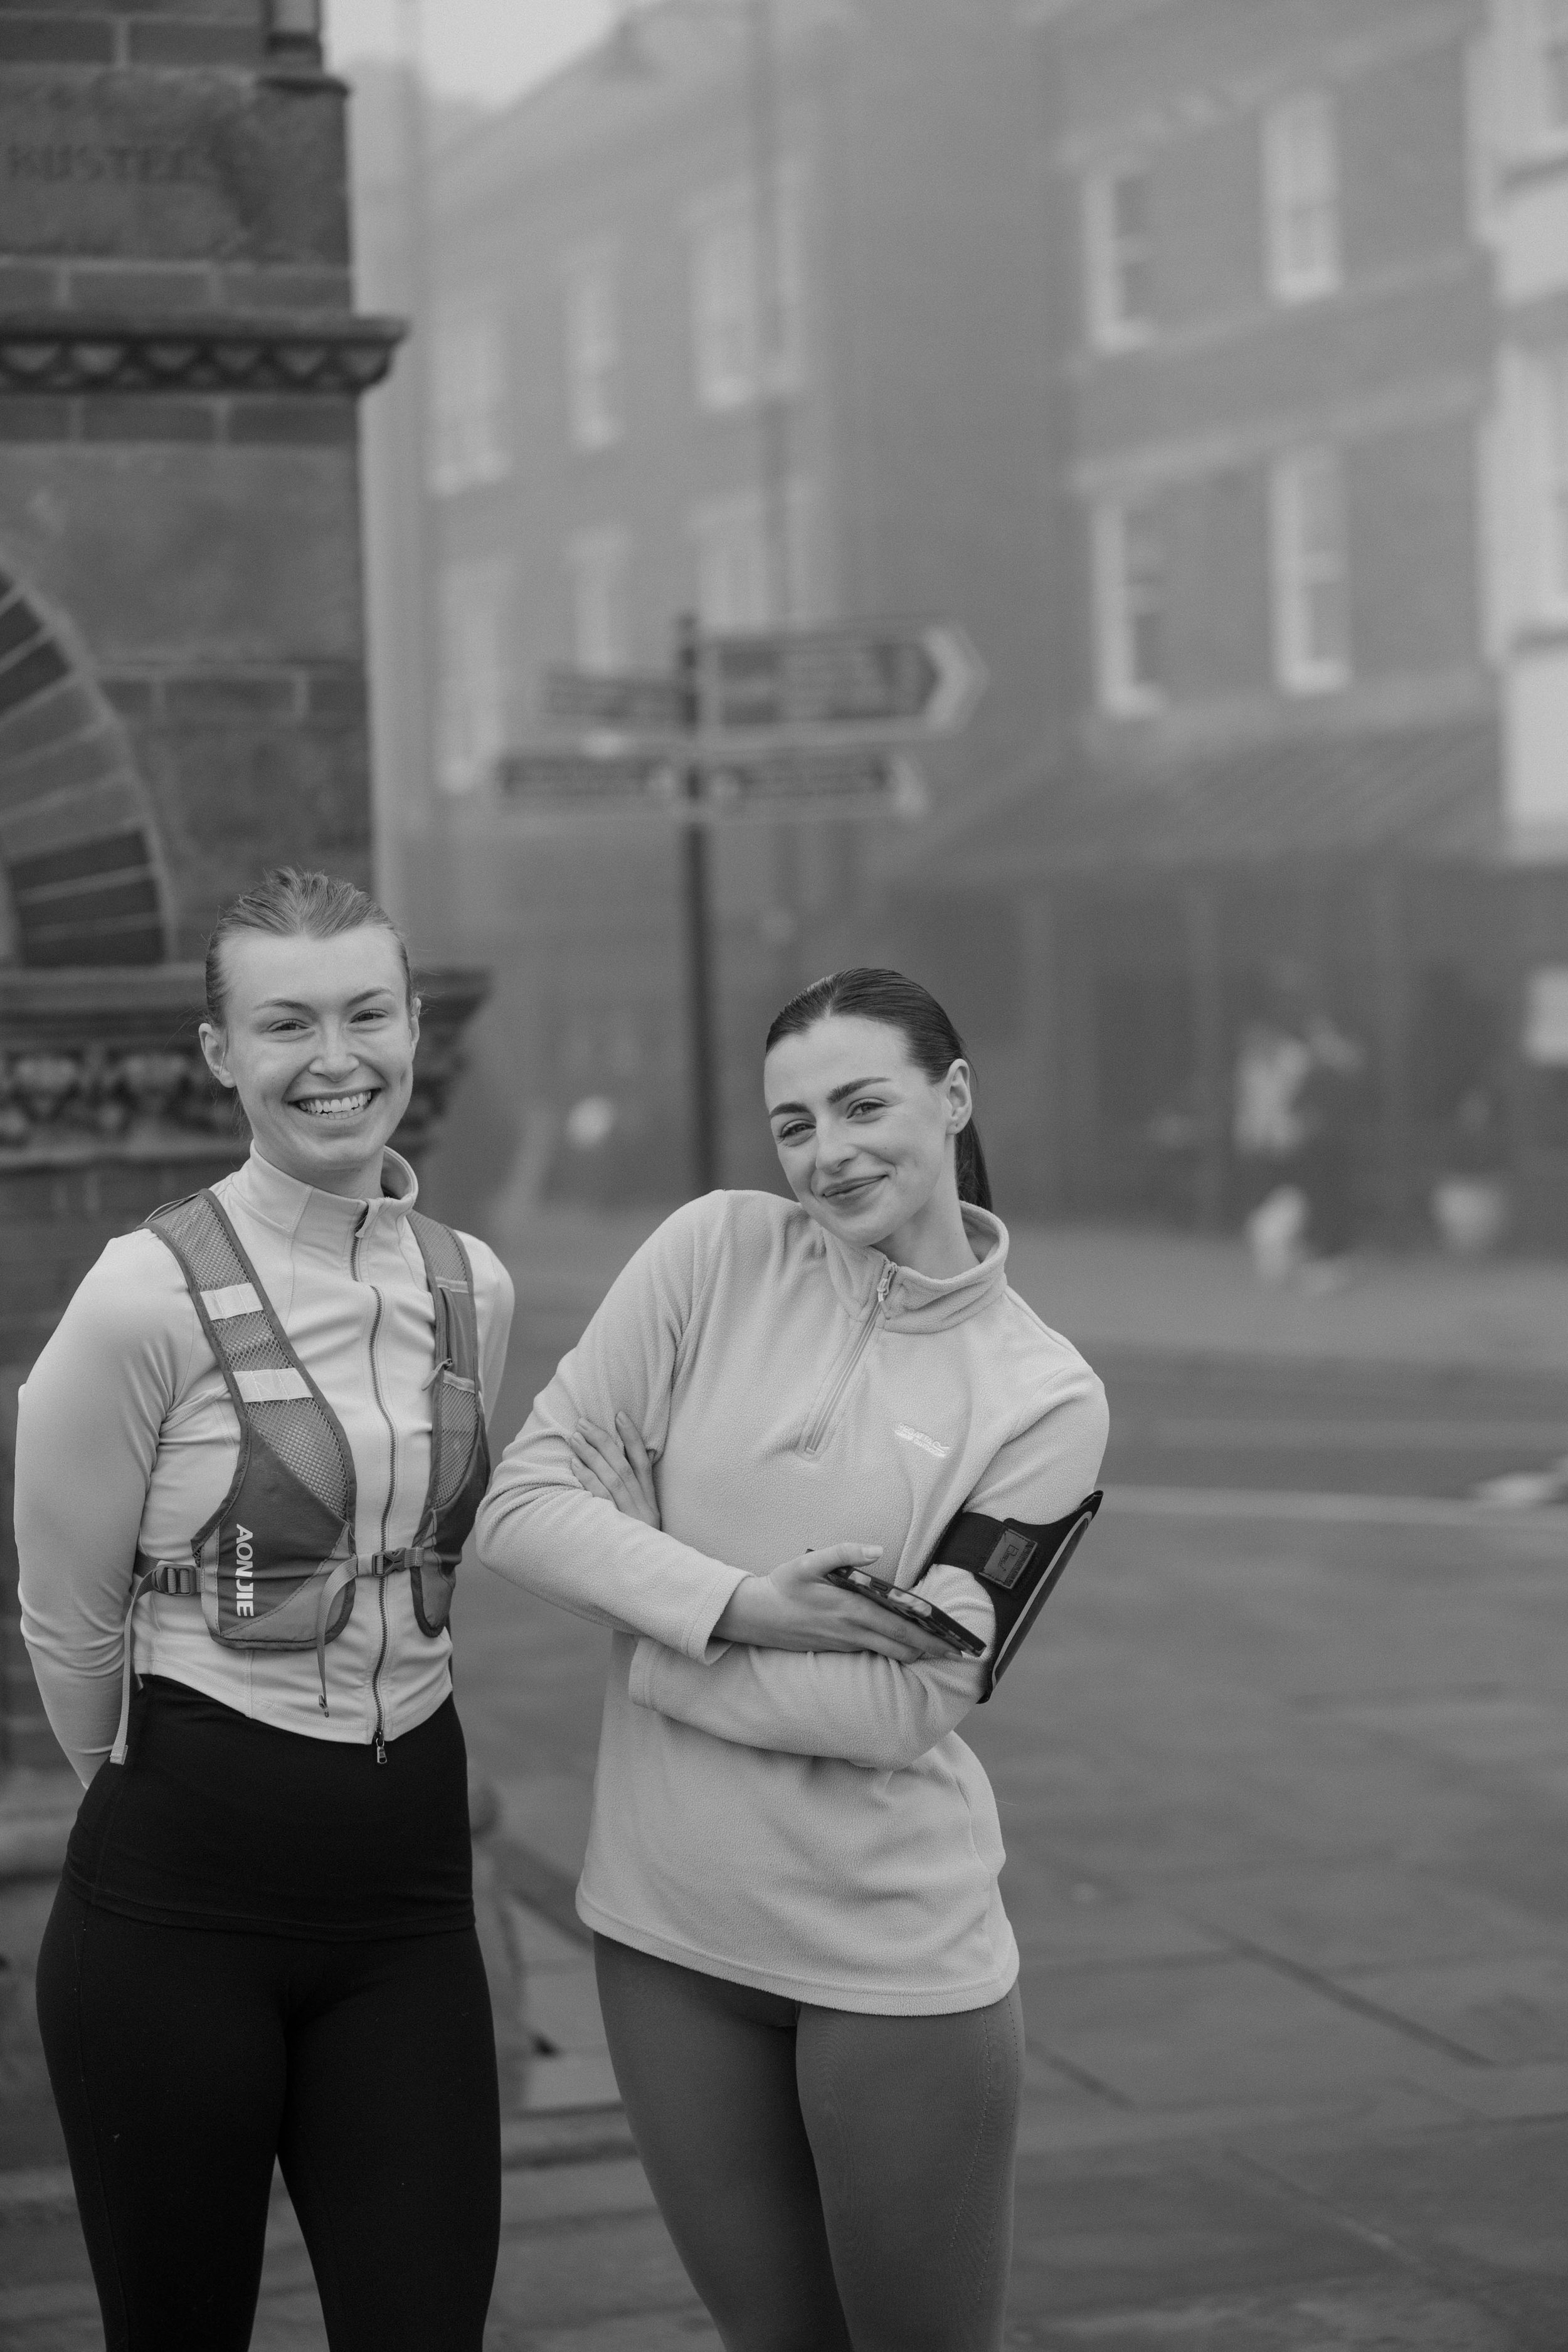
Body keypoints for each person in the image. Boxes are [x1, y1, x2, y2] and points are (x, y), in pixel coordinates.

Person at [477, 967, 1108, 2352]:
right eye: (793, 1123)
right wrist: (742, 1606)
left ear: (951, 1097)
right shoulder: (711, 1254)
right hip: (661, 1936)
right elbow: (522, 1508)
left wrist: (654, 1640)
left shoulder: (1043, 1398)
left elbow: (902, 1705)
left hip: (890, 1966)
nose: (828, 1153)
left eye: (863, 1103)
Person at [16, 869, 514, 2352]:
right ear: (220, 1051)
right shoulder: (138, 1300)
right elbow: (63, 1613)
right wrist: (164, 1791)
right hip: (177, 1904)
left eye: (367, 1012)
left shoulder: (470, 1285)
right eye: (285, 1022)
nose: (334, 1056)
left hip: (410, 1901)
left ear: (415, 1026)